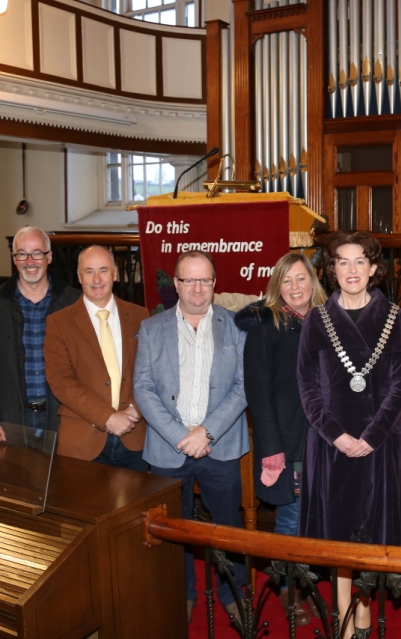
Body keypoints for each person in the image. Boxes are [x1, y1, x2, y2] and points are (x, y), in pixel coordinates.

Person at [296, 230, 401, 639]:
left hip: (381, 444)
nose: (352, 270)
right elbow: (307, 385)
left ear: (373, 268)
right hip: (331, 445)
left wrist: (373, 435)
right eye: (342, 262)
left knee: (372, 533)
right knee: (338, 534)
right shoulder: (317, 318)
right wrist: (336, 436)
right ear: (331, 270)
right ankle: (344, 618)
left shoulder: (395, 318)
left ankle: (366, 614)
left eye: (359, 261)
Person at [133, 250, 249, 629]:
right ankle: (180, 595)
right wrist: (182, 437)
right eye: (189, 280)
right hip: (169, 449)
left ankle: (233, 596)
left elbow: (243, 387)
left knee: (227, 529)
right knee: (174, 531)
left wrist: (207, 432)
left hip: (222, 445)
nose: (197, 288)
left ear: (215, 284)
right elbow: (144, 388)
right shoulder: (152, 329)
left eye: (205, 280)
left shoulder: (237, 326)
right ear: (177, 285)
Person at [234, 252, 327, 626]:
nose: (295, 287)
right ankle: (288, 587)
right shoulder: (265, 326)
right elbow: (258, 394)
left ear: (313, 282)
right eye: (286, 281)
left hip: (326, 441)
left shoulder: (327, 322)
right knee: (291, 516)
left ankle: (307, 579)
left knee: (319, 516)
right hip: (289, 443)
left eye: (301, 279)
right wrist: (272, 452)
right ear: (276, 286)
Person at [0, 226, 81, 444]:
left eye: (37, 253)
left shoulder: (75, 302)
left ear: (49, 257)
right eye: (22, 254)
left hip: (63, 419)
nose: (30, 261)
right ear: (13, 258)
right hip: (8, 423)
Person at [44, 245, 149, 470]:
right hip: (83, 441)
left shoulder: (141, 316)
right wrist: (107, 417)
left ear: (115, 274)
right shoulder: (59, 323)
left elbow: (154, 373)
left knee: (135, 504)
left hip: (134, 438)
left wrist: (136, 410)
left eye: (103, 270)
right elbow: (61, 382)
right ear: (79, 276)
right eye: (89, 271)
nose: (97, 279)